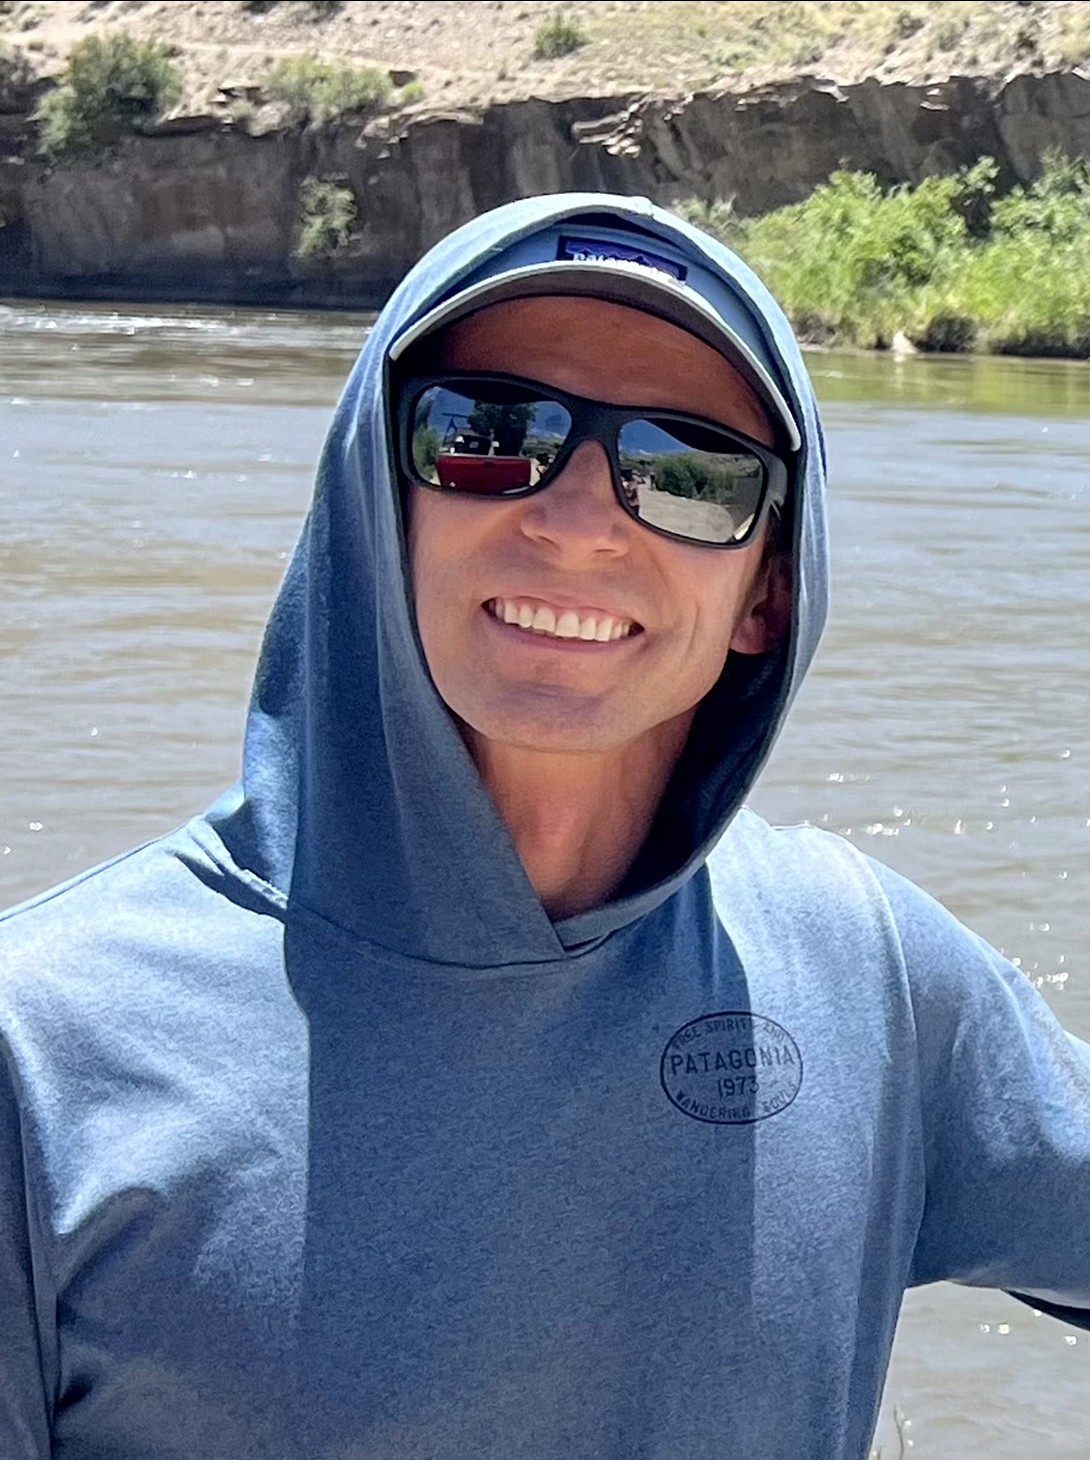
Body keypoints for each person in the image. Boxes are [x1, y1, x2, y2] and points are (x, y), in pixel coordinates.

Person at [0, 193, 1087, 1460]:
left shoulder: (872, 972)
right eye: (487, 433)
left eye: (688, 473)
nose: (575, 522)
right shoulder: (43, 1052)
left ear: (767, 587)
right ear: (378, 495)